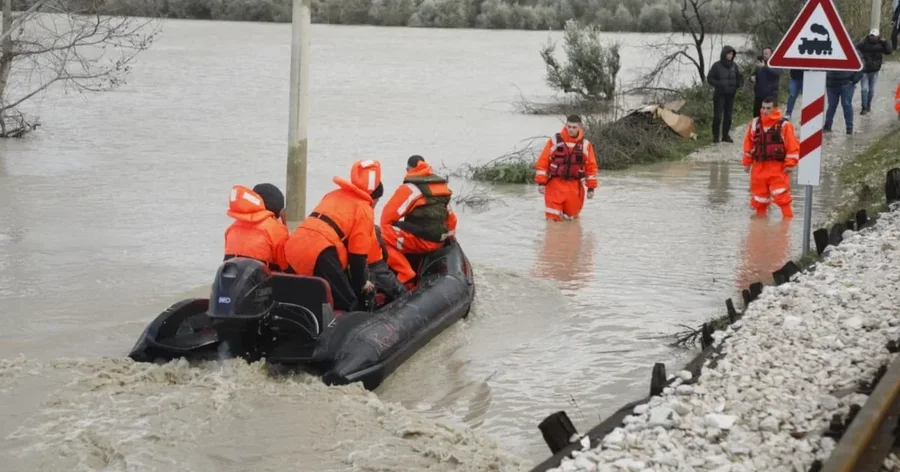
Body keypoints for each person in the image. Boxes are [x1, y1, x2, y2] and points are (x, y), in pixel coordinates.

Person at [283, 159, 383, 312]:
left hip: (294, 244)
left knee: (301, 295)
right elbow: (357, 257)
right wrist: (363, 284)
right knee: (349, 302)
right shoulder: (364, 208)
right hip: (321, 252)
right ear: (374, 198)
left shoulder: (333, 194)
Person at [380, 155, 457, 288]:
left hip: (421, 241)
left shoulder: (409, 188)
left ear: (407, 170)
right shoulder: (440, 187)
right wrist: (447, 240)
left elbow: (386, 219)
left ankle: (405, 272)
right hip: (439, 242)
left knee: (379, 235)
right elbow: (452, 219)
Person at [741, 96, 800, 218]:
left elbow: (793, 147)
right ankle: (760, 226)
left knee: (782, 197)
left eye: (768, 108)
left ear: (775, 108)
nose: (765, 111)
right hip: (758, 168)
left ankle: (787, 223)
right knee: (759, 200)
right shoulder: (755, 124)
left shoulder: (784, 125)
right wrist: (747, 162)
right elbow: (748, 144)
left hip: (777, 168)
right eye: (763, 108)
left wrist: (790, 164)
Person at [534, 114, 599, 221]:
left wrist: (591, 188)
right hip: (555, 185)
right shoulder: (555, 141)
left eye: (574, 127)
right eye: (569, 127)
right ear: (565, 126)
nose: (571, 129)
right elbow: (543, 162)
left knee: (571, 220)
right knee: (553, 220)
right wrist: (541, 183)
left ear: (580, 127)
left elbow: (591, 168)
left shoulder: (586, 145)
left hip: (574, 187)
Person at [223, 183, 290, 271]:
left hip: (231, 277)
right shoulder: (277, 230)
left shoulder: (232, 228)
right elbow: (286, 267)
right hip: (263, 279)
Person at [706, 45, 744, 143]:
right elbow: (709, 78)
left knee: (728, 116)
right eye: (729, 53)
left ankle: (725, 135)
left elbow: (739, 77)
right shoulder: (716, 65)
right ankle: (715, 136)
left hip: (731, 95)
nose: (730, 56)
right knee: (718, 116)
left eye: (732, 54)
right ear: (724, 54)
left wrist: (739, 84)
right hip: (719, 94)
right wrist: (719, 84)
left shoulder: (734, 66)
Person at [367, 225, 408, 303]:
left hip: (359, 269)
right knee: (400, 291)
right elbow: (384, 251)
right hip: (377, 266)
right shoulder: (374, 230)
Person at [856, 28, 892, 115]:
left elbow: (889, 51)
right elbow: (855, 48)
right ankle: (864, 108)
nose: (872, 37)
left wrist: (886, 42)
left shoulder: (881, 44)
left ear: (877, 37)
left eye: (874, 36)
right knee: (864, 89)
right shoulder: (864, 43)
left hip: (874, 71)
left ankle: (868, 105)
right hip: (864, 70)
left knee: (871, 91)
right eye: (871, 36)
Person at [824, 70, 863, 134]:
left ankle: (849, 128)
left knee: (846, 105)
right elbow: (820, 66)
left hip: (847, 83)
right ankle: (827, 126)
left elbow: (861, 67)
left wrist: (854, 80)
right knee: (831, 105)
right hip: (831, 84)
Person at [749, 47, 783, 118]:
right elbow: (753, 74)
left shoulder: (775, 63)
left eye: (766, 54)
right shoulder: (760, 63)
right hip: (759, 96)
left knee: (770, 117)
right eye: (764, 53)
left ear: (771, 54)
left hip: (770, 96)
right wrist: (752, 78)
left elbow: (777, 73)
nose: (764, 55)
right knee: (757, 117)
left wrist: (764, 67)